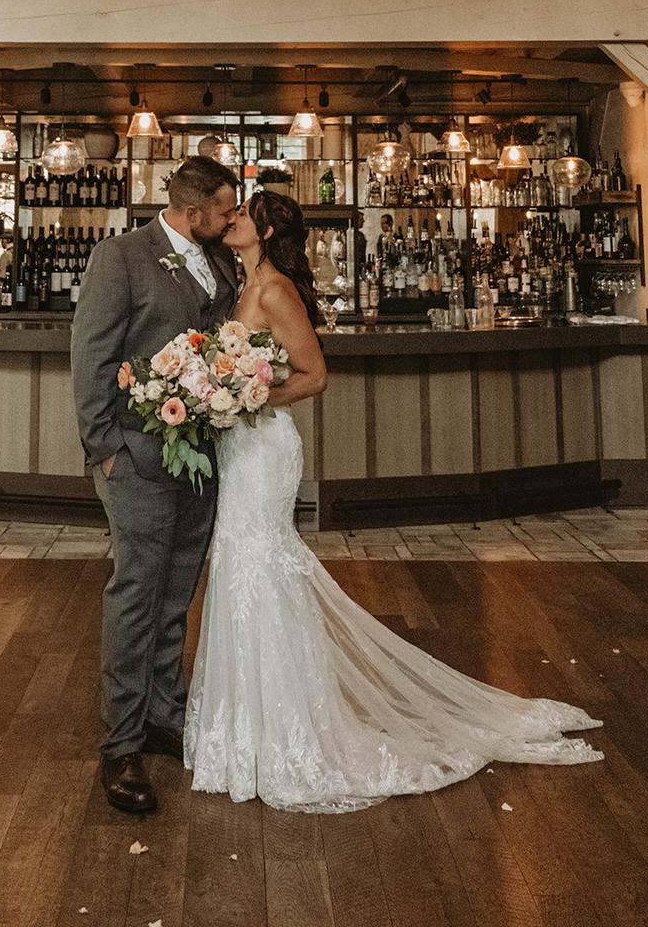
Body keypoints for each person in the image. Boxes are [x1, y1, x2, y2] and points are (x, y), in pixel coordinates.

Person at [184, 188, 603, 813]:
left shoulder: (274, 291)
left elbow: (315, 375)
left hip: (264, 448)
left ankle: (286, 729)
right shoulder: (241, 284)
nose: (233, 218)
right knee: (240, 564)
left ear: (265, 232)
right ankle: (248, 727)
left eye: (244, 213)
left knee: (260, 563)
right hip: (238, 448)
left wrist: (249, 398)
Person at [71, 154, 239, 816]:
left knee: (178, 589)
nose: (231, 219)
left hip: (202, 456)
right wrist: (105, 450)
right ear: (193, 212)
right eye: (224, 210)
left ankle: (163, 715)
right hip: (136, 458)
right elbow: (92, 356)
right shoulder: (120, 257)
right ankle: (121, 743)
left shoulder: (219, 260)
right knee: (137, 594)